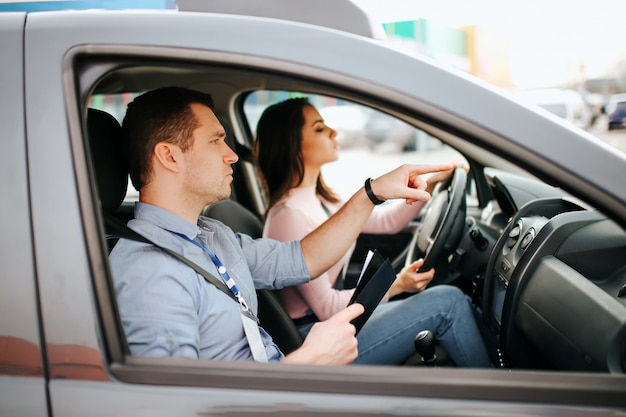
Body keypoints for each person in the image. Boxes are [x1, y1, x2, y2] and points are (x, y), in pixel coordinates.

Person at [108, 86, 455, 365]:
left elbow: (302, 258)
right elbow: (174, 406)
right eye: (216, 141)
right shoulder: (149, 273)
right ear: (169, 156)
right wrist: (309, 364)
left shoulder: (211, 235)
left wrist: (372, 192)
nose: (231, 154)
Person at [255, 97, 491, 367]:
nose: (334, 131)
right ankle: (502, 398)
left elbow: (387, 222)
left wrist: (431, 183)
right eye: (320, 128)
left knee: (456, 301)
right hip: (319, 338)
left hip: (338, 323)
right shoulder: (289, 216)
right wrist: (397, 284)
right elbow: (326, 307)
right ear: (292, 145)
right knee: (448, 302)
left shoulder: (321, 199)